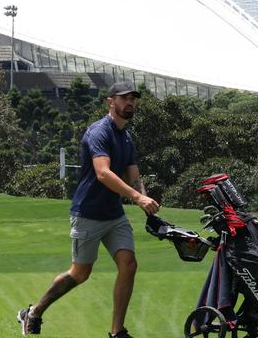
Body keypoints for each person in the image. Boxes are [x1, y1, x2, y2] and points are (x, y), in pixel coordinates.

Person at [18, 82, 160, 338]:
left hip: (114, 215)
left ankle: (117, 332)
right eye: (124, 98)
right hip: (87, 214)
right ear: (111, 102)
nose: (130, 103)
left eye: (133, 99)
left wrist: (147, 204)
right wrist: (138, 198)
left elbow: (134, 176)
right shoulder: (99, 132)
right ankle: (34, 312)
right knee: (80, 273)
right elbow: (103, 173)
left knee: (128, 264)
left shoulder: (126, 137)